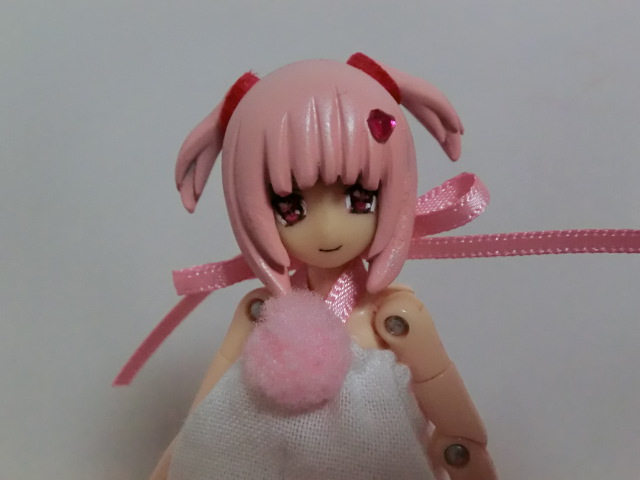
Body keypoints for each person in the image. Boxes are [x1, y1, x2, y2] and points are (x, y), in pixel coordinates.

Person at [140, 53, 497, 480]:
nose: (328, 230)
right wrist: (176, 459)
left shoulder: (392, 318)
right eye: (290, 208)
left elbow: (445, 402)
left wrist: (465, 451)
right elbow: (207, 412)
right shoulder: (264, 314)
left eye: (359, 199)